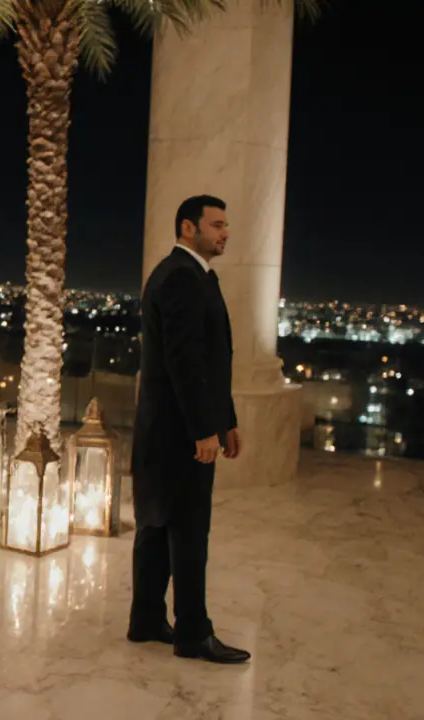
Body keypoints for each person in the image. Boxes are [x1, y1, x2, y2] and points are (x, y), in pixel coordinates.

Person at [128, 194, 252, 665]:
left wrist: (227, 421)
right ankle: (193, 634)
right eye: (217, 224)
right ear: (187, 227)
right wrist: (205, 431)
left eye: (226, 225)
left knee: (158, 525)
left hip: (170, 428)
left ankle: (145, 620)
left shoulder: (190, 275)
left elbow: (210, 361)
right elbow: (184, 362)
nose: (225, 232)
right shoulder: (181, 277)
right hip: (181, 433)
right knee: (188, 531)